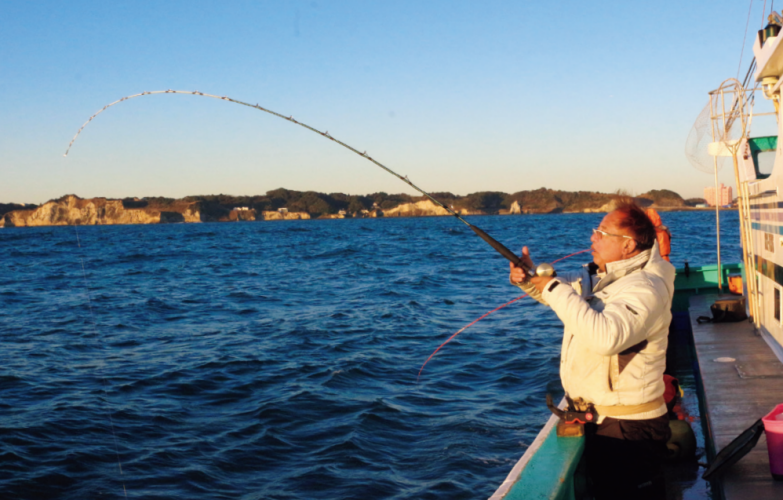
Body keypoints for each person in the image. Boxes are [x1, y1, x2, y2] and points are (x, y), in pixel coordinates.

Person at [509, 200, 676, 500]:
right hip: (603, 421)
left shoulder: (646, 288)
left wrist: (551, 287)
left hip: (629, 429)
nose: (592, 238)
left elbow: (606, 337)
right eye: (594, 231)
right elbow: (562, 294)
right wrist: (530, 279)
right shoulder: (603, 276)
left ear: (628, 245)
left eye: (601, 232)